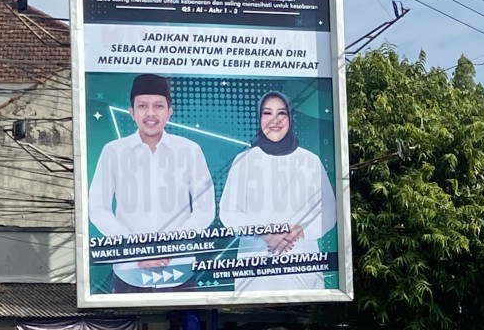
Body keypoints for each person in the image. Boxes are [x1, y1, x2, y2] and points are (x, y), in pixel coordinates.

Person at [88, 73, 215, 292]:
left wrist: (170, 246)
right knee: (126, 327)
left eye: (158, 106)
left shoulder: (189, 150)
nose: (150, 113)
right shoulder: (113, 152)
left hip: (179, 268)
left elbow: (205, 210)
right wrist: (137, 249)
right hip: (128, 272)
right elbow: (98, 208)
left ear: (169, 112)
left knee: (186, 327)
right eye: (142, 106)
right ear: (132, 112)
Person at [218, 90, 336, 292]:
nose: (275, 120)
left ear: (290, 117)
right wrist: (265, 233)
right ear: (259, 118)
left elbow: (329, 212)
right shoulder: (244, 161)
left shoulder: (310, 161)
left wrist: (299, 231)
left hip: (303, 272)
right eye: (267, 113)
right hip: (254, 277)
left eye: (281, 113)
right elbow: (228, 214)